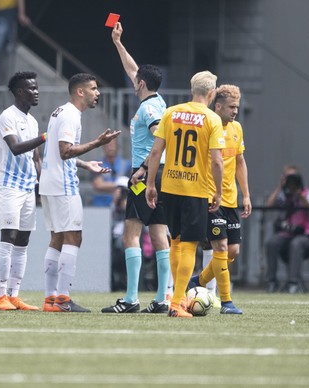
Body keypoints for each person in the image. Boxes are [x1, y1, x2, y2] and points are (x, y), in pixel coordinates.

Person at [101, 22, 171, 314]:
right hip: (163, 173)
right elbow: (133, 69)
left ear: (142, 84)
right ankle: (162, 300)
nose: (133, 80)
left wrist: (143, 169)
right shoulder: (157, 99)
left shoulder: (149, 109)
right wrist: (118, 42)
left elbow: (160, 137)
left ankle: (130, 299)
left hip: (148, 175)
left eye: (136, 80)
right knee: (158, 234)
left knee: (132, 234)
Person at [39, 73, 121, 313]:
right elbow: (64, 152)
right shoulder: (71, 116)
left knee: (58, 238)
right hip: (62, 185)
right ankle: (63, 299)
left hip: (50, 182)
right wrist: (97, 143)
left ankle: (50, 299)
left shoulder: (60, 112)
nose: (98, 93)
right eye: (94, 89)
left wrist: (86, 164)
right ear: (80, 92)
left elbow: (58, 153)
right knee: (74, 237)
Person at [145, 70, 224, 318]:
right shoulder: (212, 119)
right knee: (189, 245)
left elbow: (156, 152)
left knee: (176, 242)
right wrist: (219, 191)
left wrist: (150, 184)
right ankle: (178, 303)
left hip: (170, 186)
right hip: (195, 189)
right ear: (211, 93)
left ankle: (174, 298)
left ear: (192, 90)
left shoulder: (170, 112)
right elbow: (217, 162)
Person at [189, 84, 252, 314]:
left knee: (233, 251)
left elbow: (240, 162)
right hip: (209, 196)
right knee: (221, 247)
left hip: (231, 198)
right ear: (218, 106)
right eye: (231, 107)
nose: (235, 111)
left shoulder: (237, 128)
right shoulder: (207, 126)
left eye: (237, 106)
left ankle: (199, 281)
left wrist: (246, 194)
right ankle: (226, 302)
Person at [0, 71, 46, 310]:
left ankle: (14, 295)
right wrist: (45, 137)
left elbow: (35, 158)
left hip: (27, 187)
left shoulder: (32, 121)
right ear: (19, 91)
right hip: (9, 186)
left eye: (37, 88)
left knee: (23, 240)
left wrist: (40, 182)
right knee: (9, 237)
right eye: (32, 89)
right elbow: (15, 148)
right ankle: (0, 295)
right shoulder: (7, 117)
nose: (36, 92)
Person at [265, 171, 309, 294]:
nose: (291, 186)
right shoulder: (285, 195)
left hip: (308, 234)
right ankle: (272, 281)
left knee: (296, 244)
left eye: (293, 183)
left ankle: (293, 282)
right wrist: (280, 187)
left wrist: (299, 195)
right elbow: (269, 205)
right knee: (272, 242)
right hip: (289, 233)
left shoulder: (308, 193)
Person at [91, 138, 130, 207]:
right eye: (107, 145)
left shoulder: (126, 165)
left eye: (112, 145)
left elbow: (130, 185)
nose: (110, 147)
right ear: (103, 147)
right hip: (101, 205)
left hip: (121, 205)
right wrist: (120, 185)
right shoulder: (97, 164)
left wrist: (107, 186)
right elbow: (98, 185)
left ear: (117, 146)